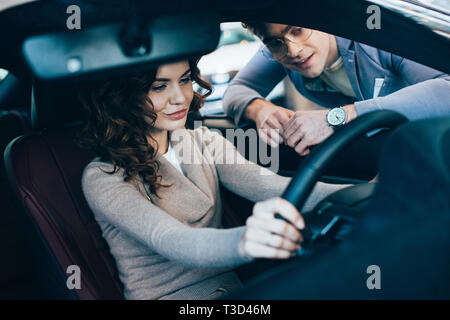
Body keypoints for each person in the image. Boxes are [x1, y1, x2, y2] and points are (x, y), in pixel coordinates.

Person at [78, 59, 346, 300]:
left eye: (184, 80)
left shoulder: (202, 140)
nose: (180, 98)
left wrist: (371, 191)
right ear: (122, 97)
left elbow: (269, 186)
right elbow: (170, 239)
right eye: (159, 87)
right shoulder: (104, 176)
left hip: (235, 290)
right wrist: (245, 240)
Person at [223, 22, 450, 156]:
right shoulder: (277, 52)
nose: (293, 50)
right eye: (274, 42)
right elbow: (237, 90)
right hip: (386, 151)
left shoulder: (378, 38)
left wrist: (336, 117)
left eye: (299, 30)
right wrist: (261, 110)